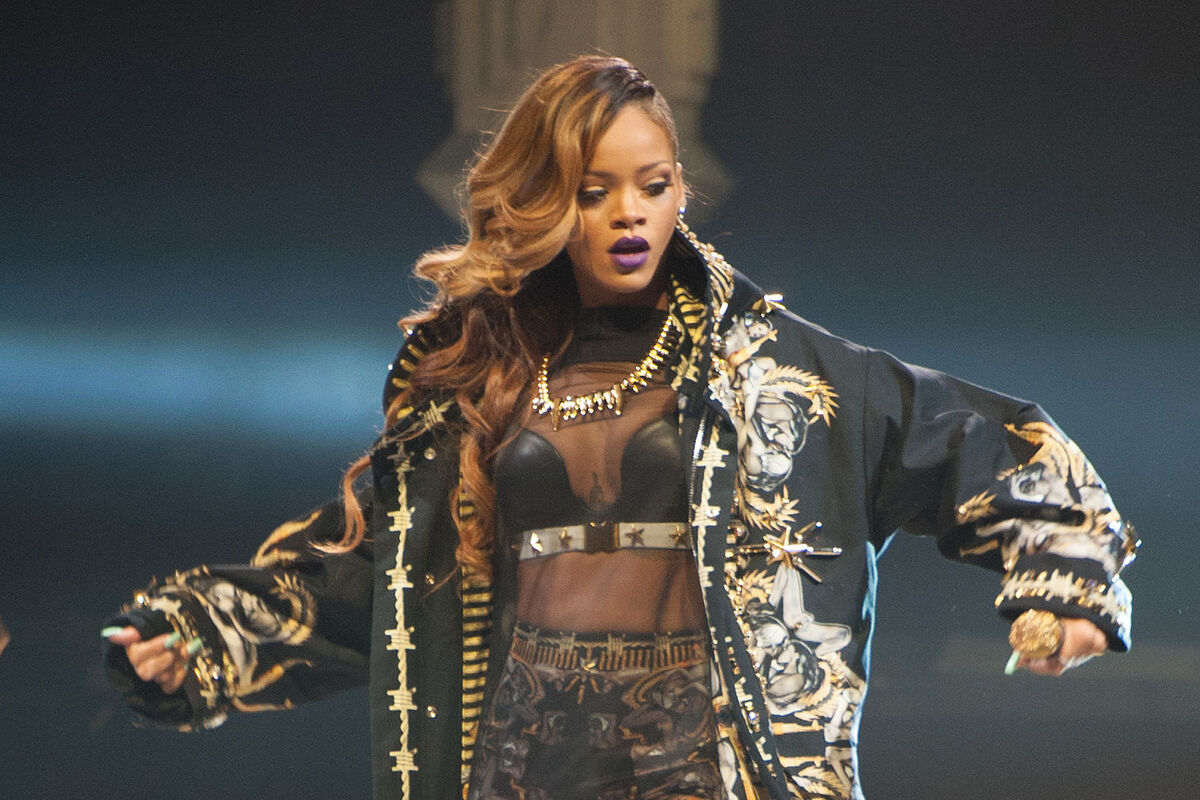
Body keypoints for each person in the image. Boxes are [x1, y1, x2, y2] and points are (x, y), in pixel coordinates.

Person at [103, 55, 1138, 800]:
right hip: (526, 748)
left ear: (682, 188)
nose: (630, 213)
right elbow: (372, 576)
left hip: (707, 755)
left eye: (653, 184)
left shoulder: (776, 369)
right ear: (547, 201)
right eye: (594, 191)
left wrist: (1062, 577)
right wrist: (199, 634)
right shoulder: (479, 382)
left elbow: (974, 441)